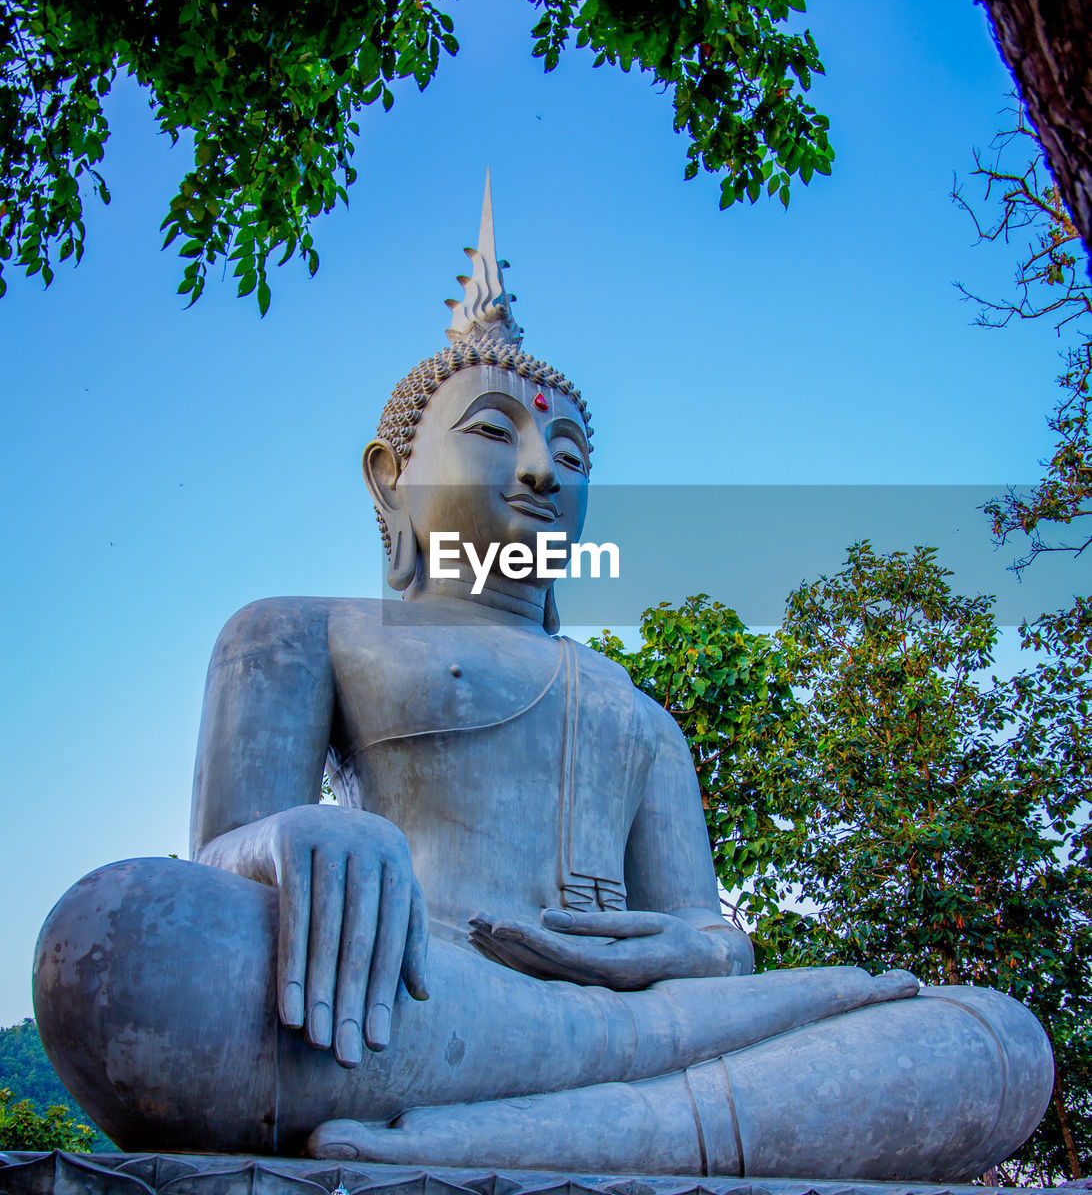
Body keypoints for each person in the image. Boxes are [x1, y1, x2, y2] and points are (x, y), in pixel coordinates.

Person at [33, 181, 1052, 1179]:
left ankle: (549, 1135)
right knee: (118, 941)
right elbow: (217, 862)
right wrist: (290, 836)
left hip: (648, 1021)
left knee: (995, 1038)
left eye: (568, 451)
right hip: (424, 995)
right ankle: (627, 1122)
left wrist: (687, 954)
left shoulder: (639, 713)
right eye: (493, 431)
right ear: (392, 477)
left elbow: (710, 938)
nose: (541, 471)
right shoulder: (300, 630)